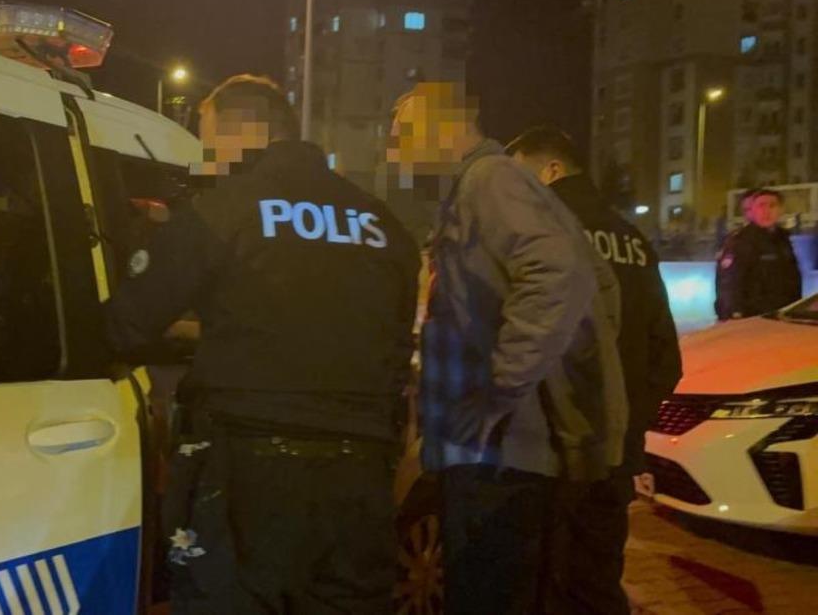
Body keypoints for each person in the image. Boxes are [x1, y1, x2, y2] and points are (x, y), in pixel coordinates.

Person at [107, 74, 419, 613]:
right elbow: (381, 335)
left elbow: (126, 325)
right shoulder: (383, 225)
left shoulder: (222, 211)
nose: (207, 161)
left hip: (248, 474)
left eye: (210, 143)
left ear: (245, 131)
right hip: (359, 475)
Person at [393, 83, 626, 615]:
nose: (394, 151)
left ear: (442, 129)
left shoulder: (489, 180)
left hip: (499, 457)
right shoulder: (483, 188)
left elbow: (559, 274)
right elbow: (602, 288)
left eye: (402, 134)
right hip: (499, 451)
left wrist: (499, 388)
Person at [508, 126, 682, 615]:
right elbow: (666, 358)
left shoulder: (536, 235)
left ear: (551, 170)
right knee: (599, 581)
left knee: (544, 585)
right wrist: (624, 425)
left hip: (547, 457)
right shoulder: (633, 241)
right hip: (613, 454)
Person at [715, 188, 802, 320]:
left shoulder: (783, 239)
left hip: (781, 315)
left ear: (780, 210)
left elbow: (792, 278)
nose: (767, 211)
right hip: (752, 317)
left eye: (772, 206)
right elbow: (729, 283)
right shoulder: (741, 241)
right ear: (752, 211)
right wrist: (734, 314)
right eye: (761, 206)